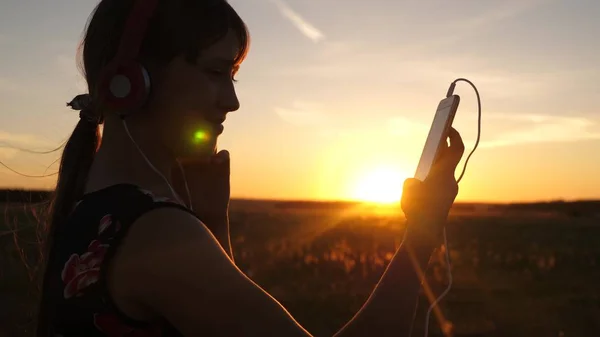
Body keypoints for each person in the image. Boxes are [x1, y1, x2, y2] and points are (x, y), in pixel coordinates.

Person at [36, 0, 465, 336]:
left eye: (234, 77)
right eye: (216, 72)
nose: (232, 100)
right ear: (132, 81)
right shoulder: (155, 234)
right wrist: (423, 229)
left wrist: (210, 222)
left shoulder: (92, 209)